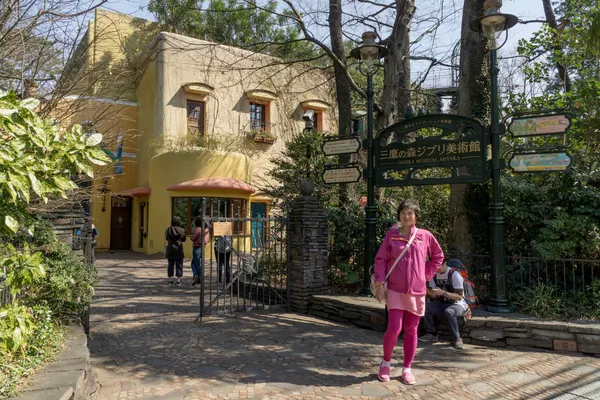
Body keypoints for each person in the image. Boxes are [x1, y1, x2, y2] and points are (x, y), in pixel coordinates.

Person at [373, 199, 444, 385]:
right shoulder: (392, 235)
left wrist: (425, 275)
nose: (407, 216)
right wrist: (380, 280)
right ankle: (386, 363)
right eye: (404, 212)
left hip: (417, 291)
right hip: (396, 290)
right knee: (394, 328)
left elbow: (438, 256)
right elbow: (380, 259)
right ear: (399, 215)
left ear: (416, 216)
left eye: (410, 213)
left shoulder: (425, 236)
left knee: (412, 330)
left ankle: (407, 368)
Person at [420, 259, 468, 349]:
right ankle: (431, 334)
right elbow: (434, 296)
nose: (436, 268)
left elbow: (459, 297)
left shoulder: (454, 274)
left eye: (438, 265)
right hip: (441, 303)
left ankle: (457, 339)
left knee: (449, 311)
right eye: (434, 266)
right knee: (425, 307)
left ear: (444, 263)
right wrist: (430, 293)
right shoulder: (434, 275)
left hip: (457, 304)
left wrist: (443, 293)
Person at [165, 216, 186, 285]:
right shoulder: (182, 230)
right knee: (179, 265)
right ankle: (178, 280)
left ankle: (170, 279)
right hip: (179, 249)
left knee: (170, 264)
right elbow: (184, 239)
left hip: (170, 249)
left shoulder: (168, 230)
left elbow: (167, 238)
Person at [190, 215, 210, 286]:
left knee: (194, 263)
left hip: (196, 248)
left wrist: (191, 236)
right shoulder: (206, 230)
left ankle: (197, 276)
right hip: (203, 248)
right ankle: (199, 276)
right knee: (200, 263)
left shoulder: (197, 229)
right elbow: (206, 240)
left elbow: (192, 238)